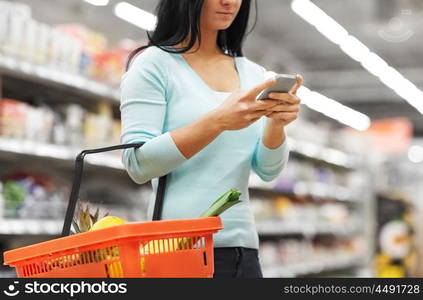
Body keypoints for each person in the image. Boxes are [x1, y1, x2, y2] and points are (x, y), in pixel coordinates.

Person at [120, 0, 303, 278]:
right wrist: (218, 121)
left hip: (244, 251)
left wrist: (277, 124)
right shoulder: (154, 64)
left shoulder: (253, 74)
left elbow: (268, 171)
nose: (229, 2)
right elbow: (138, 164)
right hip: (179, 251)